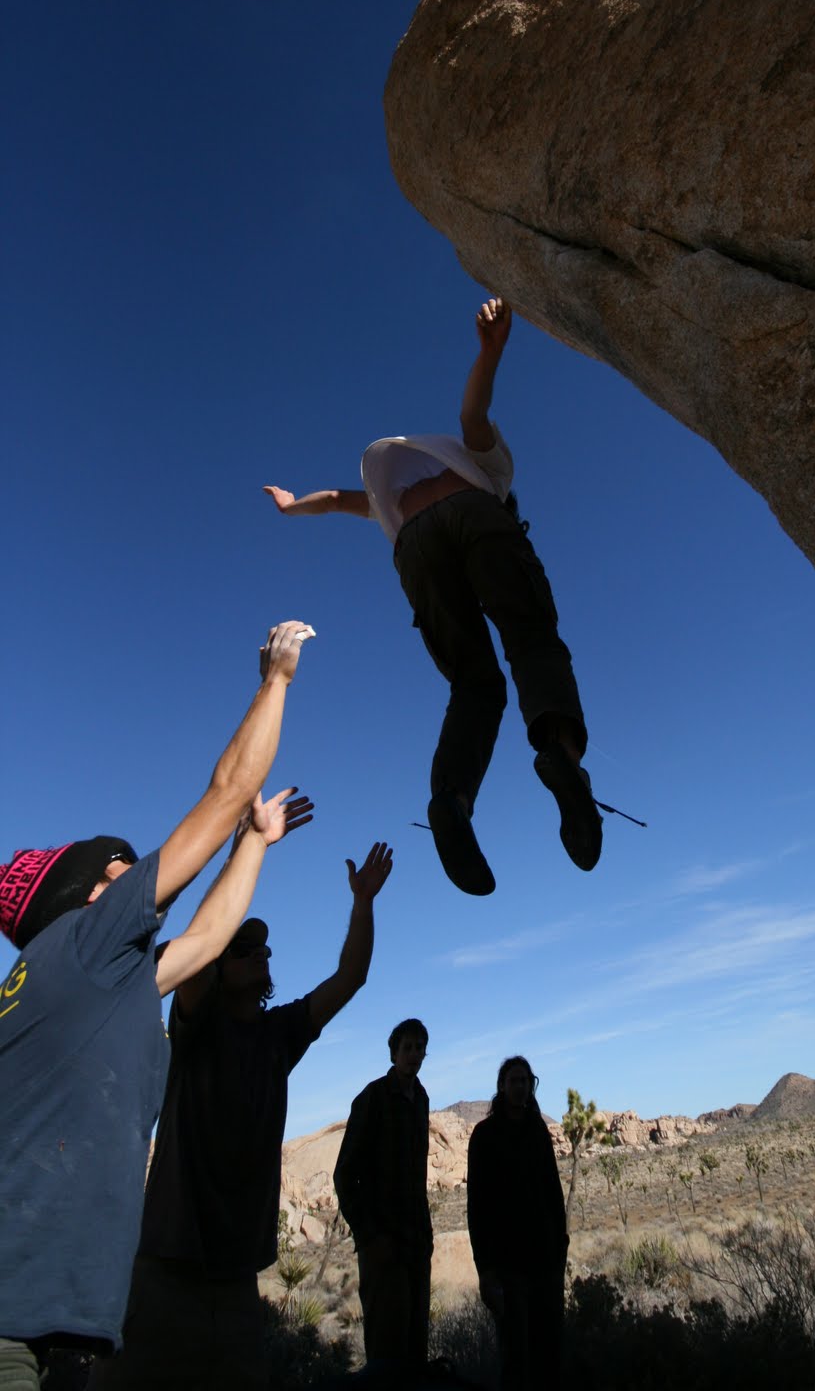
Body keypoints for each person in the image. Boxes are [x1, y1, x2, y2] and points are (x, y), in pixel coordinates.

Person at [0, 619, 314, 1391]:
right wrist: (275, 679)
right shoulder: (80, 943)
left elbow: (208, 938)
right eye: (118, 873)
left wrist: (256, 845)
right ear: (80, 899)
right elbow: (227, 792)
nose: (137, 884)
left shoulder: (78, 984)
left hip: (56, 1320)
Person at [264, 295, 601, 896]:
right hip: (474, 518)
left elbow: (343, 500)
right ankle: (560, 756)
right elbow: (475, 416)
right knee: (530, 637)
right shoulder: (495, 479)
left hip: (414, 546)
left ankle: (453, 800)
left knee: (474, 684)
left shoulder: (393, 502)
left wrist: (294, 507)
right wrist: (489, 354)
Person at [88, 839, 393, 1391]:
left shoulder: (278, 1036)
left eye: (265, 951)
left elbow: (350, 977)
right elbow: (200, 948)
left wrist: (364, 902)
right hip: (165, 1271)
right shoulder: (196, 1027)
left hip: (235, 1284)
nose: (261, 954)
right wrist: (241, 852)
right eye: (243, 949)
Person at [334, 1018, 432, 1380]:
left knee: (415, 1347)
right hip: (383, 1245)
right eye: (408, 1047)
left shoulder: (421, 1099)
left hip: (416, 1243)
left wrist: (427, 1236)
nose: (414, 1055)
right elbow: (345, 1174)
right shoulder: (372, 1098)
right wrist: (370, 1236)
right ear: (394, 1052)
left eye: (420, 1048)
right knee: (386, 1351)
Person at [466, 1056, 568, 1391]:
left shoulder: (537, 1130)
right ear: (502, 1086)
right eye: (514, 1080)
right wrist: (485, 1268)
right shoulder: (484, 1136)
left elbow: (553, 1189)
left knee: (548, 1349)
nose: (521, 1086)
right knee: (516, 1356)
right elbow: (477, 1206)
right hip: (507, 1264)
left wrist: (561, 1243)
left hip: (545, 1258)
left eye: (526, 1080)